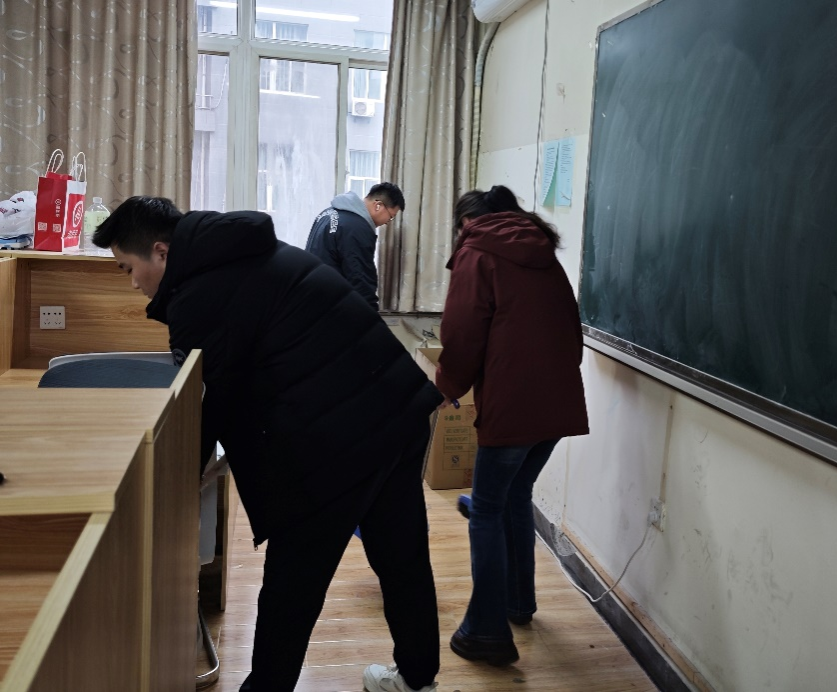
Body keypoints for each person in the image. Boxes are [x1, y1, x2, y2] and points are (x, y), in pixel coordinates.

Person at [93, 197, 440, 692]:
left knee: (291, 587)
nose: (132, 283)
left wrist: (172, 483)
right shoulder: (245, 250)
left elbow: (204, 405)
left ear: (161, 252)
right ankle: (418, 678)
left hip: (337, 442)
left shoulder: (199, 294)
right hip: (397, 410)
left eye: (129, 268)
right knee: (402, 558)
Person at [434, 185, 589, 667]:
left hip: (514, 404)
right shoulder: (543, 252)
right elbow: (573, 328)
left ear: (467, 222)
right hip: (557, 402)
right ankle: (519, 603)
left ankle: (486, 631)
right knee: (516, 495)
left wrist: (448, 386)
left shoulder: (477, 253)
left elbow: (462, 332)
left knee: (485, 509)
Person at [305, 182, 405, 311]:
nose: (387, 222)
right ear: (378, 206)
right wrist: (370, 314)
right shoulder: (357, 228)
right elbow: (359, 276)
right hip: (331, 304)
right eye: (391, 217)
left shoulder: (327, 213)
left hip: (312, 296)